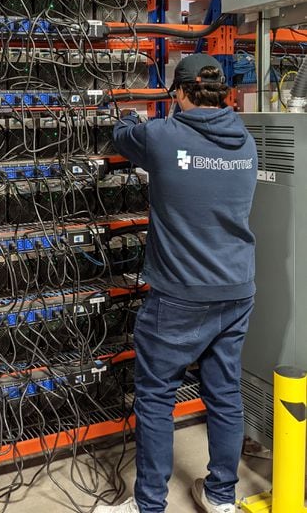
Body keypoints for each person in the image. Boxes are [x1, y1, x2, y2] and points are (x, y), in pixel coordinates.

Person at [96, 54, 257, 513]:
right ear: (222, 92)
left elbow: (122, 135)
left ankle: (148, 505)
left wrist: (128, 113)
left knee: (155, 396)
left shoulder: (163, 135)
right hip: (236, 288)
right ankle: (222, 496)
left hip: (181, 295)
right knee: (224, 395)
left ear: (180, 93)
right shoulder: (246, 142)